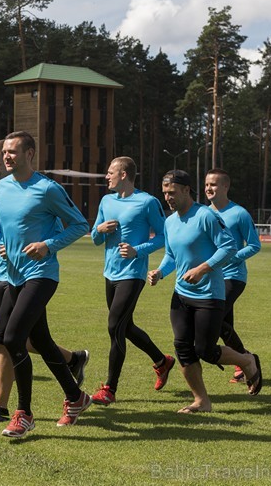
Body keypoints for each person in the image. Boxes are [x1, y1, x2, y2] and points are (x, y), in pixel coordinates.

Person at [0, 131, 92, 438]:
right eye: (5, 152)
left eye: (13, 152)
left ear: (30, 154)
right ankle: (76, 397)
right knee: (39, 342)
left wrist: (48, 245)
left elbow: (80, 224)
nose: (7, 156)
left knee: (12, 339)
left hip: (41, 274)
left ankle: (23, 414)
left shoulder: (47, 189)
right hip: (11, 275)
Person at [148, 170, 262, 413]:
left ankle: (246, 360)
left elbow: (229, 246)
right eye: (165, 193)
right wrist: (159, 272)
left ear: (187, 190)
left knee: (206, 350)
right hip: (181, 294)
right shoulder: (169, 222)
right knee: (182, 347)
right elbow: (171, 255)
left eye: (172, 192)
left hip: (209, 294)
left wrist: (202, 268)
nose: (168, 197)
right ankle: (201, 401)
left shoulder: (206, 216)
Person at [89, 157, 175, 406]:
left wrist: (138, 250)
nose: (107, 176)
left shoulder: (147, 202)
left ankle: (109, 389)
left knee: (114, 326)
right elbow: (95, 238)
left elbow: (163, 237)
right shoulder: (106, 201)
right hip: (110, 273)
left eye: (110, 172)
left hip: (133, 274)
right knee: (124, 327)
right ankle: (162, 361)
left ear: (124, 174)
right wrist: (100, 230)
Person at [205, 168, 261, 383]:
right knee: (223, 324)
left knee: (214, 319)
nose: (209, 188)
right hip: (211, 277)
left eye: (214, 184)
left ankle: (246, 358)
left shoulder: (239, 213)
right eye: (207, 184)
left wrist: (230, 258)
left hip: (233, 276)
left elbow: (254, 245)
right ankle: (242, 361)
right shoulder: (203, 212)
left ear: (225, 187)